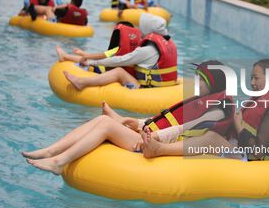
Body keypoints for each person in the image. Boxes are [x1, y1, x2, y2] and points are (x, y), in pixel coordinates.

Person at [22, 62, 233, 175]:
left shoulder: (214, 109)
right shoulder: (200, 100)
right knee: (101, 121)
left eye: (201, 79)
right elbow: (168, 119)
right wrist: (139, 122)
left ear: (212, 84)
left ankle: (59, 162)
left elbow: (181, 130)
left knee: (105, 124)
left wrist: (152, 135)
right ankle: (52, 151)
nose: (196, 82)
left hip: (153, 143)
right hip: (151, 134)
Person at [138, 59, 269, 161]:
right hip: (238, 147)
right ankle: (157, 139)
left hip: (250, 159)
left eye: (256, 78)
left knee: (212, 138)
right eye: (251, 78)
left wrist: (238, 124)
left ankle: (160, 149)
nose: (252, 82)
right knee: (209, 132)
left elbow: (257, 151)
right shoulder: (264, 98)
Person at [62, 13, 178, 90]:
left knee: (119, 71)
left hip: (150, 90)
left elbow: (121, 60)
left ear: (148, 29)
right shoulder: (168, 44)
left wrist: (92, 62)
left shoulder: (148, 50)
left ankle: (82, 83)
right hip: (164, 87)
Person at [57, 21, 142, 75]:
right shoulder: (136, 49)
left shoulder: (118, 49)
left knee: (88, 61)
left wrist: (86, 56)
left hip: (105, 72)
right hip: (122, 72)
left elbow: (102, 56)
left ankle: (65, 56)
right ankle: (83, 54)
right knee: (94, 59)